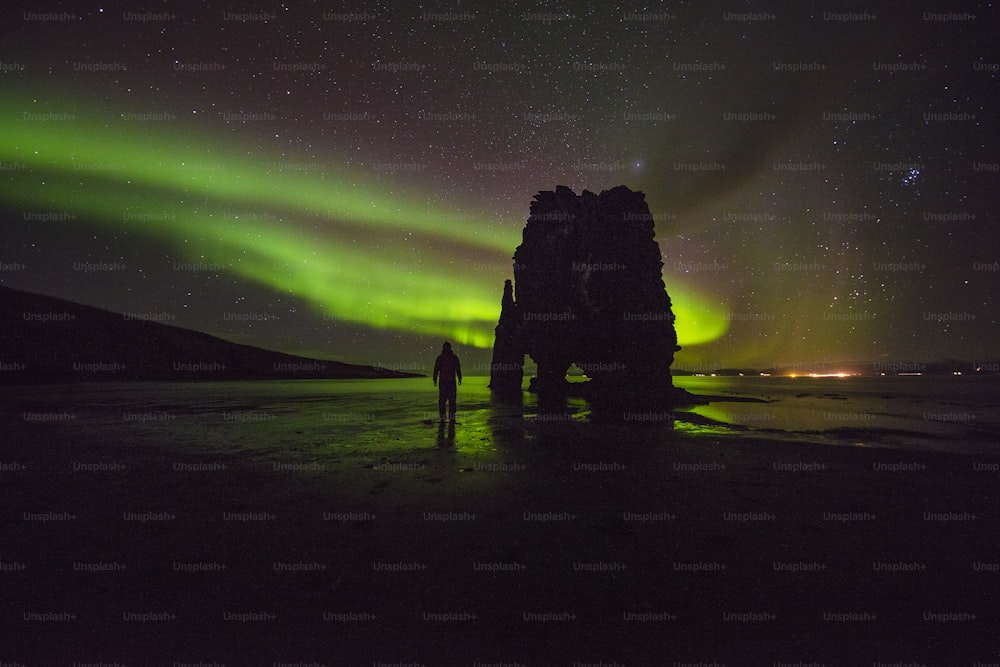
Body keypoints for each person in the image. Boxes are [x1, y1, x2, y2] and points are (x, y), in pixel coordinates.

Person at [432, 342, 462, 422]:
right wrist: (460, 378)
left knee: (443, 401)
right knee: (451, 400)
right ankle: (451, 418)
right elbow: (458, 368)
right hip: (450, 382)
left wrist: (435, 379)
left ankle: (443, 418)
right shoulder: (453, 357)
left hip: (444, 382)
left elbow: (436, 369)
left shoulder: (440, 358)